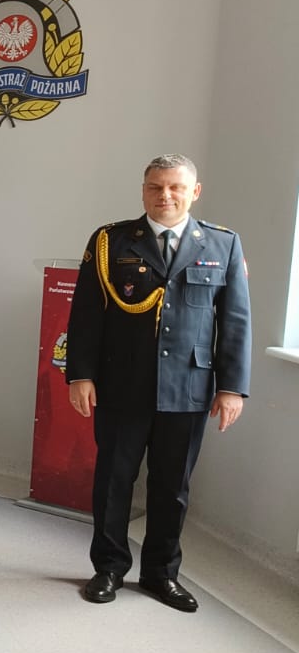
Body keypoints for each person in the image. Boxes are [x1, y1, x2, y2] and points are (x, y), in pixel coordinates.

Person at [66, 154, 251, 612]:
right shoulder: (111, 241)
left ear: (194, 192)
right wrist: (81, 374)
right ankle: (109, 568)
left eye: (175, 187)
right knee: (114, 481)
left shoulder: (223, 244)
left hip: (187, 388)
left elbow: (235, 321)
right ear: (143, 190)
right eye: (155, 187)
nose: (164, 195)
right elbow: (86, 313)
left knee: (173, 487)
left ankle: (161, 574)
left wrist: (232, 387)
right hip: (121, 384)